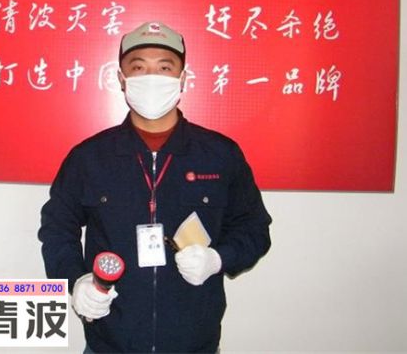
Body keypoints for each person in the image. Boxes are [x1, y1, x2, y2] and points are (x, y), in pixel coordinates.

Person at [38, 22, 272, 353]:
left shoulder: (220, 154)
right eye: (138, 68)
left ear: (182, 78)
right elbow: (57, 229)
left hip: (195, 344)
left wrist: (218, 259)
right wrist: (76, 280)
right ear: (122, 79)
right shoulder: (89, 158)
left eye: (164, 68)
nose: (151, 78)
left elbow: (254, 228)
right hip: (109, 344)